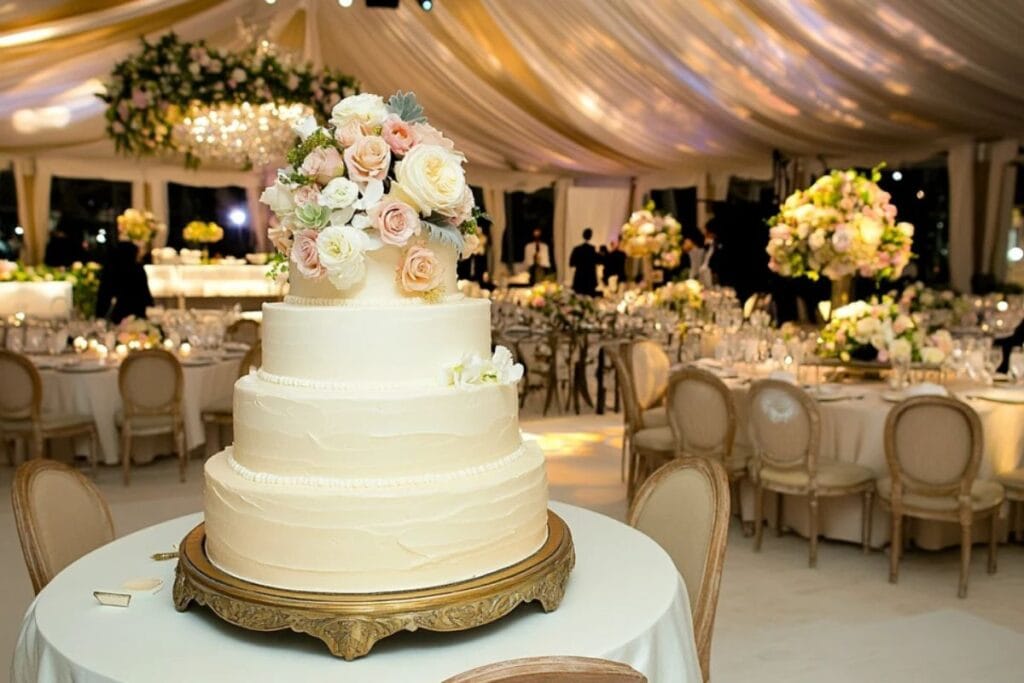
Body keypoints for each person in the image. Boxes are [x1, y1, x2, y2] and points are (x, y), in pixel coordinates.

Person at [95, 241, 154, 323]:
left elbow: (104, 295)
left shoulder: (111, 269)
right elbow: (145, 293)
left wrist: (100, 316)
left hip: (118, 313)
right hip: (137, 311)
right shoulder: (137, 269)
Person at [569, 228, 599, 296]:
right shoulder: (592, 249)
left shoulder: (577, 249)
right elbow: (597, 260)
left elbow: (571, 263)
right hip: (590, 279)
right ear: (591, 236)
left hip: (579, 278)